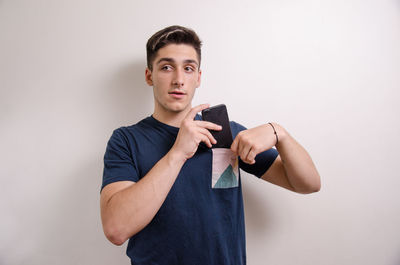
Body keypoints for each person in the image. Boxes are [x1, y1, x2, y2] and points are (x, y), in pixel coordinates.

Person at [100, 25, 321, 265]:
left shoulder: (223, 131)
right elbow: (116, 229)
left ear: (198, 77)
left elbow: (308, 184)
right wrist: (178, 153)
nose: (178, 80)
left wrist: (280, 134)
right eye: (166, 67)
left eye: (188, 68)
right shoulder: (126, 140)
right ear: (149, 76)